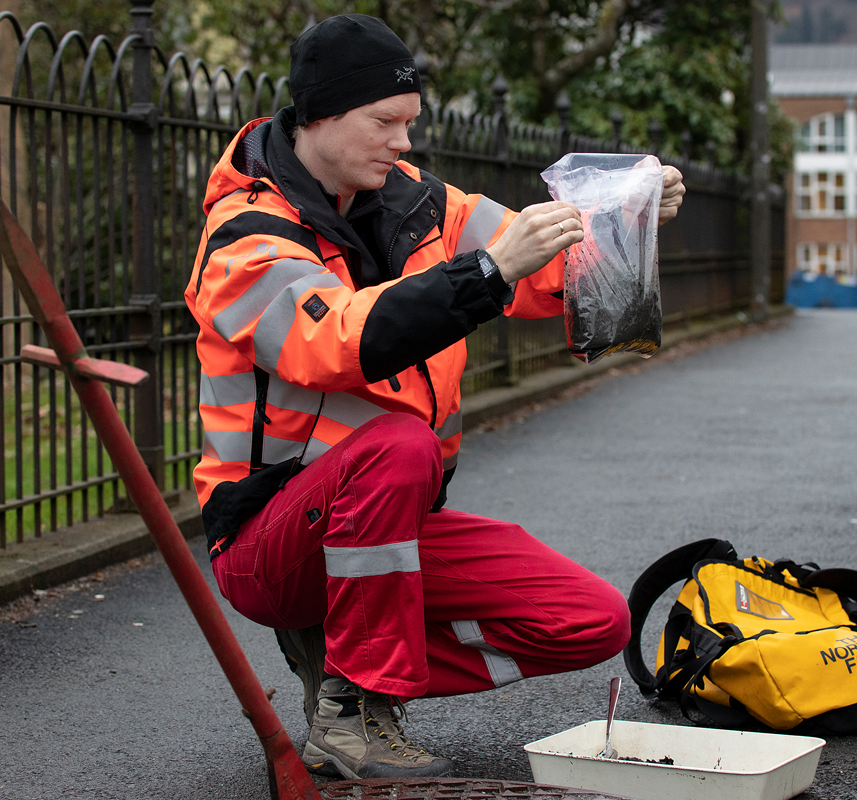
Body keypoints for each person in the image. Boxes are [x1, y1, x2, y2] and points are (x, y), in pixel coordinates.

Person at [184, 13, 686, 781]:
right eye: (385, 121)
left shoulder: (420, 201)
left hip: (383, 531)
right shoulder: (245, 236)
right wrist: (485, 273)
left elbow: (542, 256)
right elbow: (339, 339)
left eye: (410, 122)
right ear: (319, 115)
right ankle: (353, 704)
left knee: (590, 620)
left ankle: (347, 668)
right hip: (267, 542)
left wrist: (628, 215)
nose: (404, 142)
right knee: (397, 444)